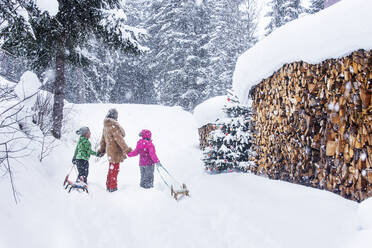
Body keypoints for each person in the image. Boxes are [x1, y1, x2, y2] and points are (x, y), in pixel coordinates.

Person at [98, 109, 132, 192]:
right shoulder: (113, 126)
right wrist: (127, 150)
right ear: (114, 116)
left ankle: (109, 185)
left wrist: (101, 150)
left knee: (111, 169)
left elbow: (103, 139)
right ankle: (113, 187)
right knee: (115, 170)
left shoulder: (106, 126)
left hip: (110, 151)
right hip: (115, 151)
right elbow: (119, 139)